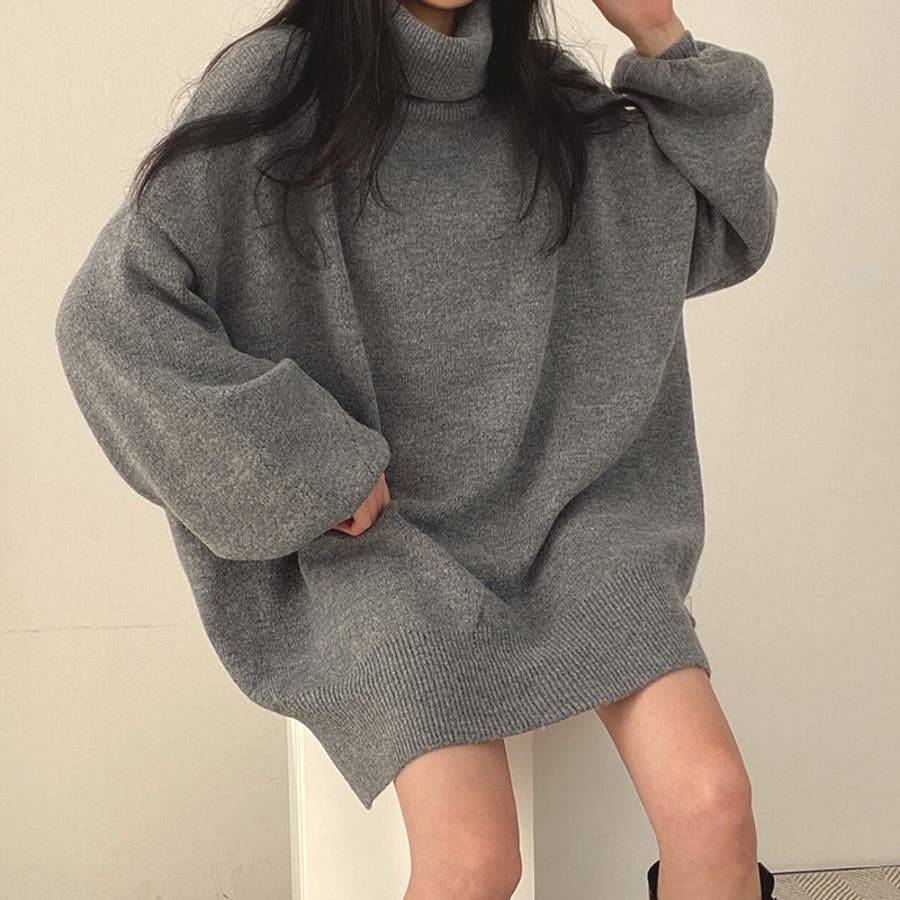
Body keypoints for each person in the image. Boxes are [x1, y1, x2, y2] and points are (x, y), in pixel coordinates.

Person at [54, 0, 780, 897]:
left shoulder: (547, 99)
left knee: (715, 806)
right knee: (475, 860)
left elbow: (722, 227)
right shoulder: (282, 82)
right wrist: (310, 466)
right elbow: (109, 319)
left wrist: (659, 33)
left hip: (571, 525)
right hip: (381, 549)